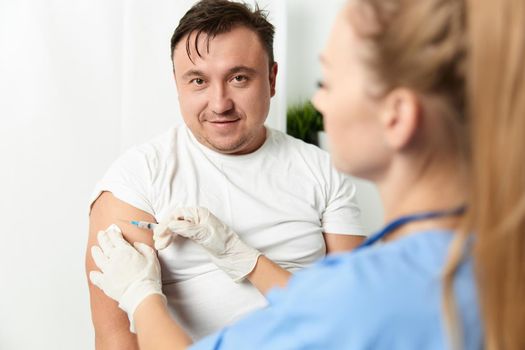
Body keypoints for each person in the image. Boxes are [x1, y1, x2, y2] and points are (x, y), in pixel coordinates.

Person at [87, 0, 525, 348]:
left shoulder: (364, 289)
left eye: (327, 82)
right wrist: (249, 260)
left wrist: (143, 297)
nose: (318, 104)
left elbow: (335, 307)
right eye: (197, 81)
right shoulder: (479, 259)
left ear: (398, 115)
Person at [86, 0, 366, 347]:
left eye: (238, 78)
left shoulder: (321, 170)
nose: (220, 104)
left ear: (272, 78)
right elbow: (116, 337)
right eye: (198, 80)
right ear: (177, 84)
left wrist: (244, 258)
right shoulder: (137, 178)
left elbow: (356, 316)